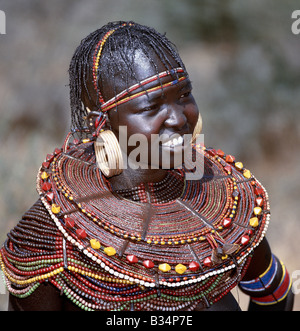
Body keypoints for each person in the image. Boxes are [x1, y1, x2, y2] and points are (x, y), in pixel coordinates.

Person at [0, 21, 294, 311]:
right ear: (99, 123)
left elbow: (276, 293)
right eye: (152, 107)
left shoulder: (224, 207)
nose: (179, 119)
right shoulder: (54, 235)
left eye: (184, 95)